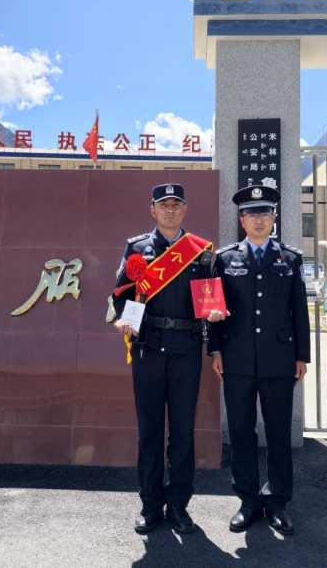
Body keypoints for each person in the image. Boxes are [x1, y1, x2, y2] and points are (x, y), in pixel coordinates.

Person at [111, 183, 224, 535]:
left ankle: (178, 504)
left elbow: (210, 299)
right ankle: (150, 503)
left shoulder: (200, 253)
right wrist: (123, 318)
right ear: (153, 211)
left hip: (186, 349)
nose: (170, 210)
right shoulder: (137, 248)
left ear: (185, 209)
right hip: (147, 347)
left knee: (183, 432)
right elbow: (120, 294)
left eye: (176, 204)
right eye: (164, 205)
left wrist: (214, 313)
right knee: (149, 430)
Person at [208, 185, 310, 535]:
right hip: (236, 360)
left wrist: (302, 355)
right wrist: (215, 350)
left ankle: (277, 501)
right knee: (241, 431)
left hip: (279, 360)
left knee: (279, 432)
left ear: (274, 218)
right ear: (242, 220)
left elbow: (300, 311)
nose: (258, 219)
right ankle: (248, 501)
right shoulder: (224, 259)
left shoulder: (290, 259)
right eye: (251, 214)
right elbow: (215, 310)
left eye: (264, 213)